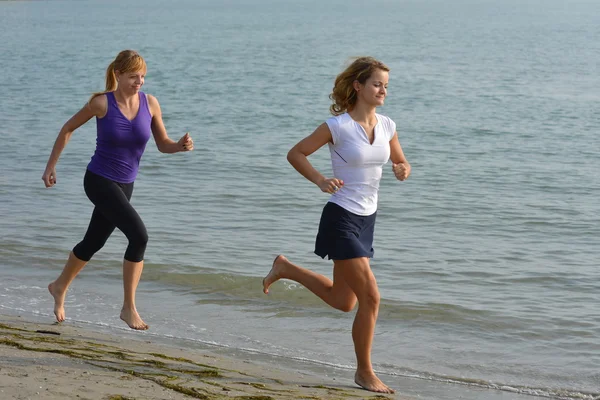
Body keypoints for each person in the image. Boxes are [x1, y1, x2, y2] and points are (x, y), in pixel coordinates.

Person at [262, 57, 410, 393]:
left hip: (367, 220)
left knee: (345, 301)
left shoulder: (388, 125)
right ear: (358, 86)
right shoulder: (337, 126)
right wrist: (319, 179)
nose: (383, 89)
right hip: (340, 217)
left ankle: (285, 268)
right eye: (377, 83)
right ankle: (364, 372)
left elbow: (400, 160)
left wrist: (403, 169)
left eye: (386, 84)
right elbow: (296, 153)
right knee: (371, 297)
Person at [42, 50, 194, 330]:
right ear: (118, 75)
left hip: (126, 184)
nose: (140, 82)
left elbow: (163, 144)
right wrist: (51, 166)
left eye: (143, 76)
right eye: (134, 76)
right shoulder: (102, 104)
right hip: (99, 180)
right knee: (139, 236)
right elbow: (67, 128)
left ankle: (59, 286)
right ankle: (128, 308)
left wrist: (180, 146)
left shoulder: (151, 103)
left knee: (93, 242)